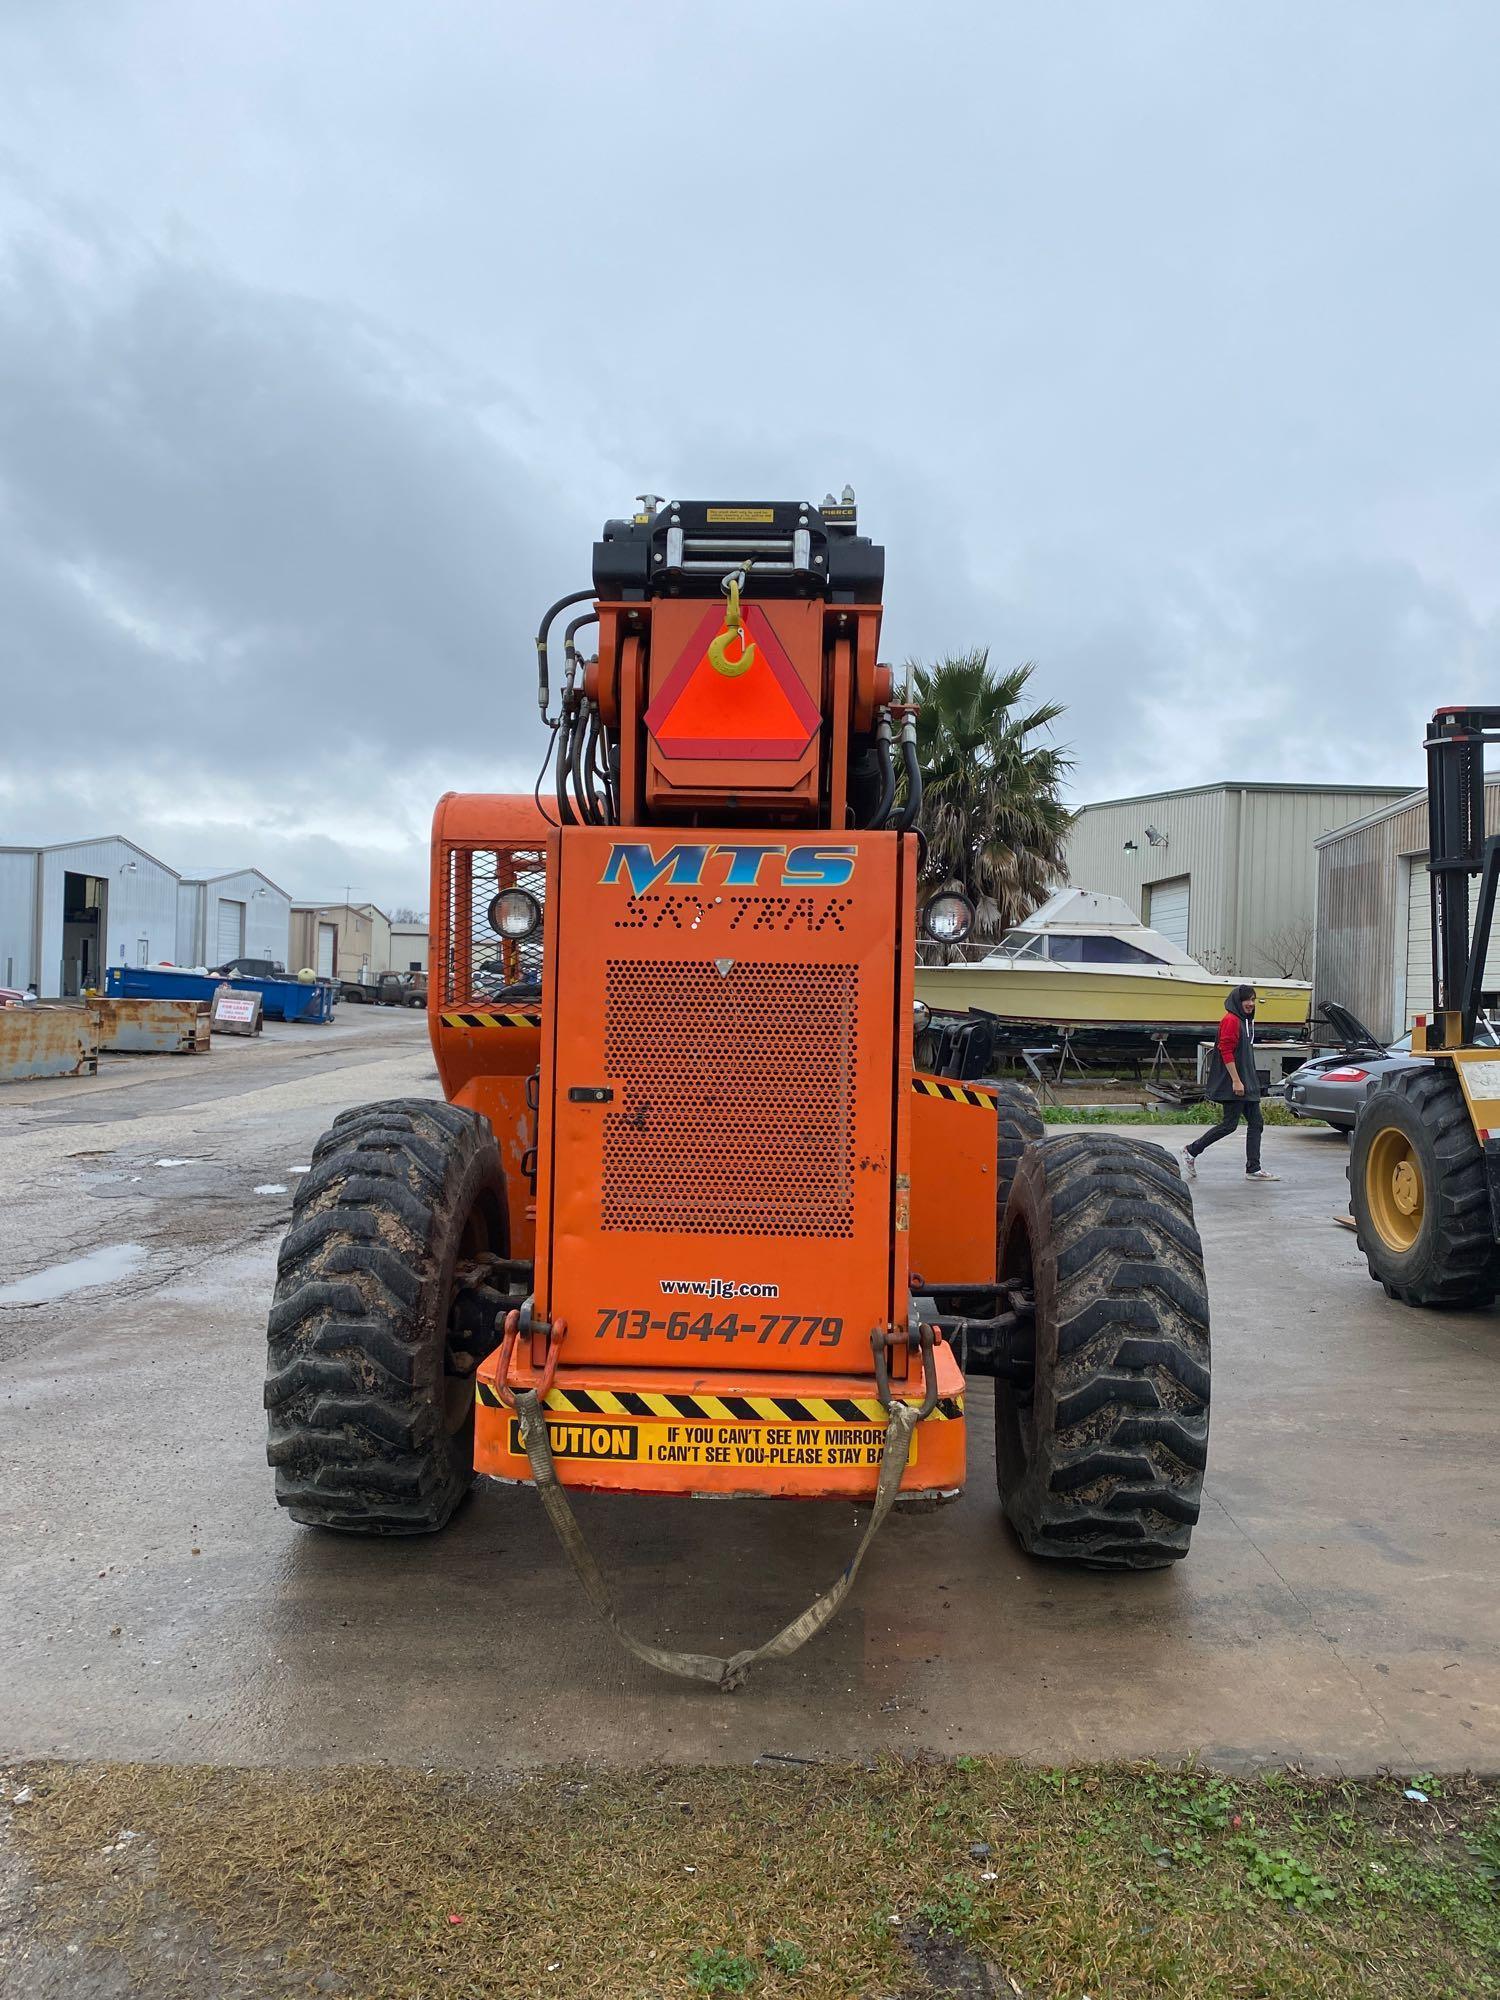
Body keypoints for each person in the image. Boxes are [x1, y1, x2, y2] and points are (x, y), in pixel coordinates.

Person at [1181, 984, 1280, 1183]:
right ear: (1237, 1001)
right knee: (1229, 1125)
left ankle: (1253, 1168)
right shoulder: (1231, 1020)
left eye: (1253, 999)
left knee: (1256, 1123)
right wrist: (1236, 1080)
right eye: (1247, 1000)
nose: (1251, 1003)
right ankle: (1191, 1150)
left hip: (1246, 1083)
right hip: (1235, 1083)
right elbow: (1225, 1051)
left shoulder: (1243, 1021)